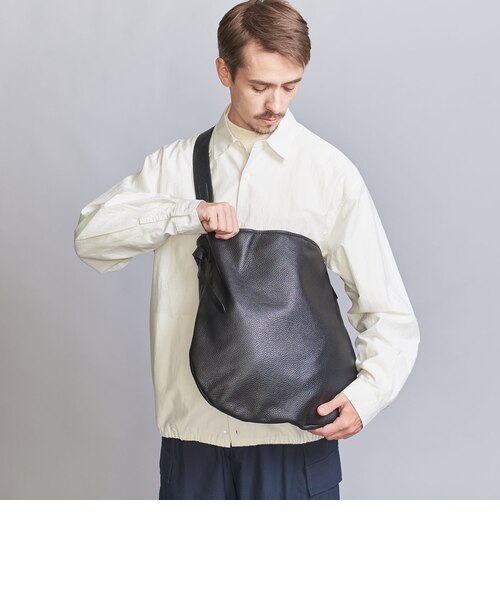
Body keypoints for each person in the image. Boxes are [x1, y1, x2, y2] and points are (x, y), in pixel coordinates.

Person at [74, 0, 420, 500]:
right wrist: (186, 214)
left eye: (290, 86)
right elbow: (91, 240)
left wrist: (368, 396)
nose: (276, 104)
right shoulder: (174, 167)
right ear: (224, 72)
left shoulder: (328, 173)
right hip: (194, 443)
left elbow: (388, 310)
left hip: (294, 443)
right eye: (259, 86)